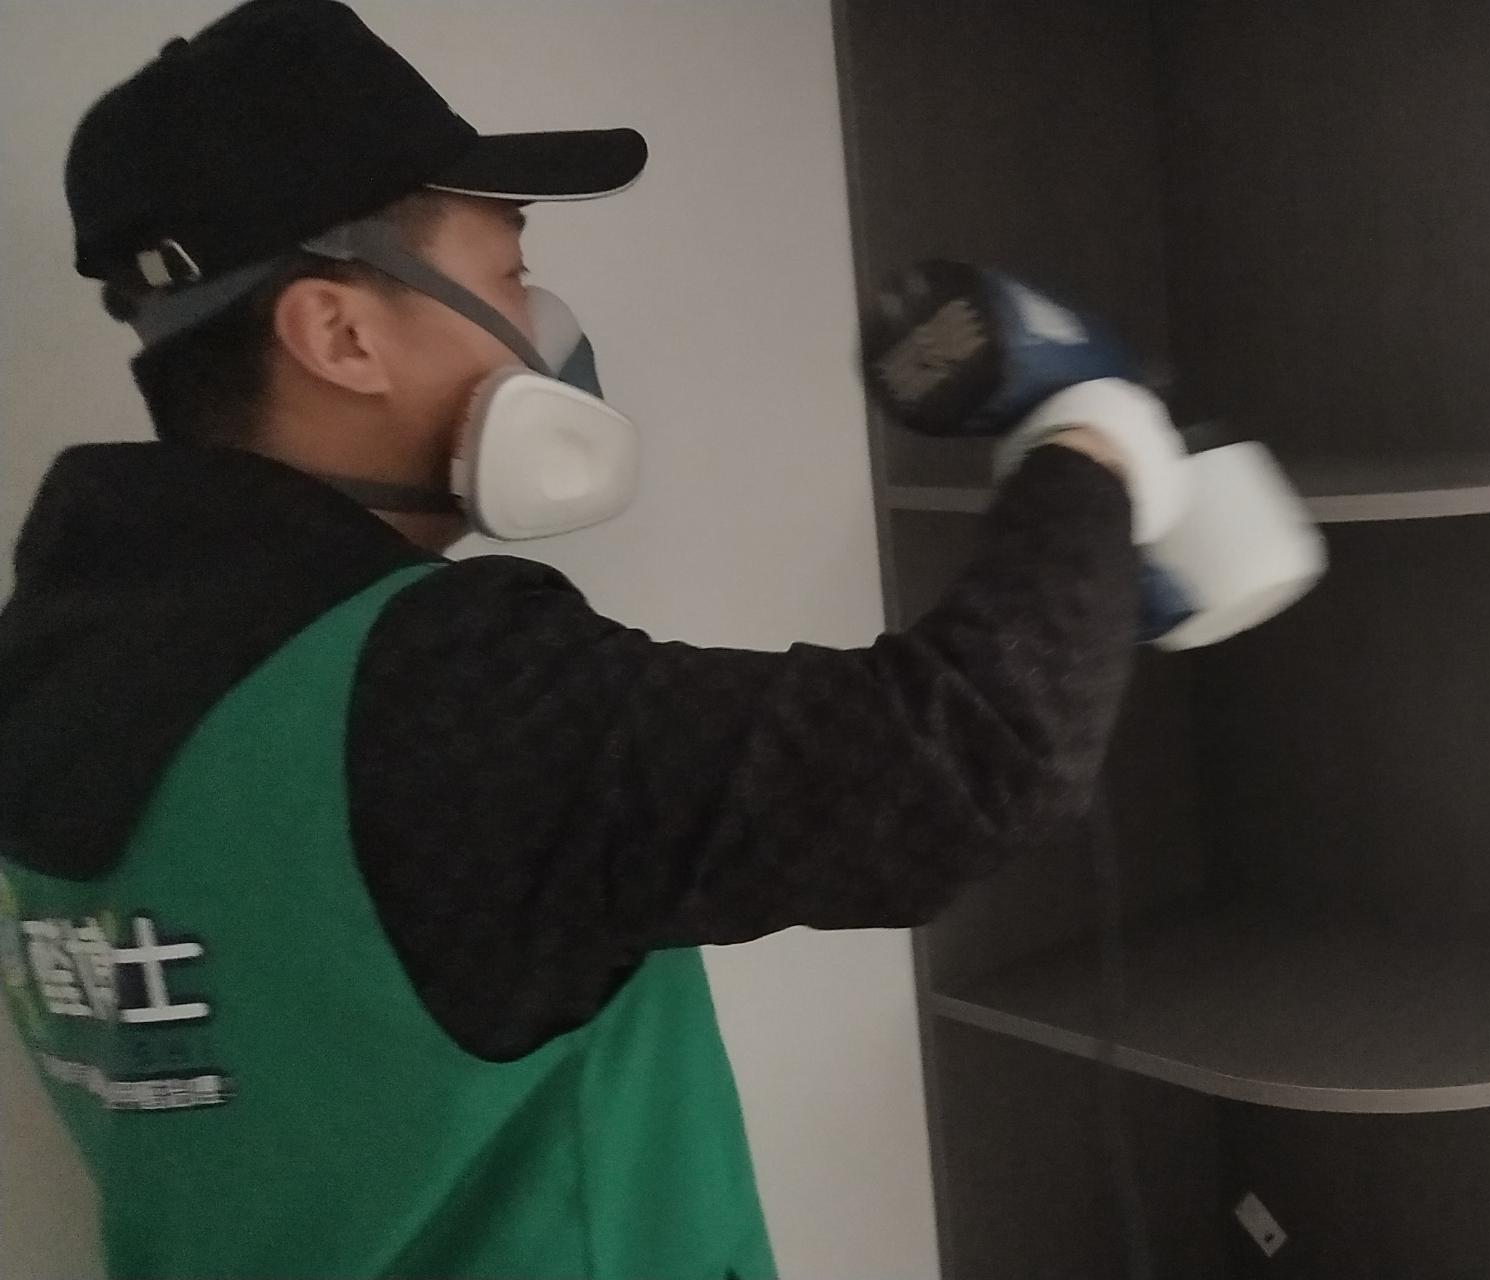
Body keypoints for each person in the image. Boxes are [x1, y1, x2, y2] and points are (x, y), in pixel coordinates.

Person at [0, 2, 1170, 1276]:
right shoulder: (432, 685)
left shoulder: (50, 664)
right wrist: (1088, 446)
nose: (543, 329)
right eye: (508, 276)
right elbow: (976, 750)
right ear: (342, 335)